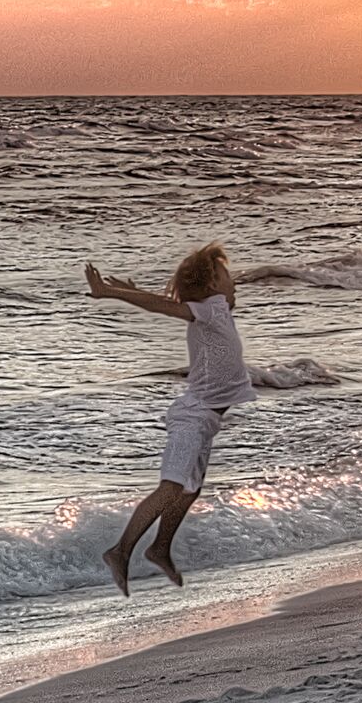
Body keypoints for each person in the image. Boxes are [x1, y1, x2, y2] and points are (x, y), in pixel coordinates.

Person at [85, 243, 254, 594]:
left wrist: (130, 289)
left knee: (189, 491)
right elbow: (166, 307)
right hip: (192, 416)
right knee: (171, 487)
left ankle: (159, 547)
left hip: (207, 421)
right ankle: (120, 551)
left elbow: (170, 303)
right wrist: (112, 293)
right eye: (226, 277)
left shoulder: (216, 309)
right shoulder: (210, 309)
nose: (233, 281)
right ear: (210, 285)